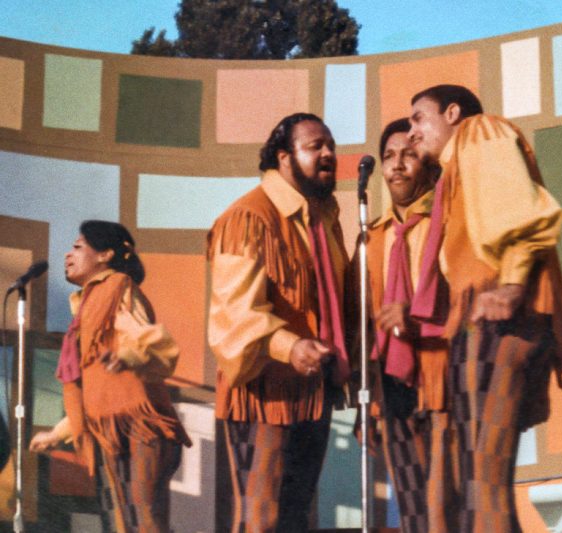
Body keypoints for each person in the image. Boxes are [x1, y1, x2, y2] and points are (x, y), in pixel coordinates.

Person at [406, 84, 562, 532]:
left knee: (483, 483)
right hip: (481, 323)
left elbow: (519, 211)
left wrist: (511, 284)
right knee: (480, 484)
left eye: (417, 119)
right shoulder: (452, 173)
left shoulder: (478, 131)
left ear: (452, 113)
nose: (411, 133)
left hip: (499, 318)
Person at [207, 112, 350, 532]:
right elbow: (232, 312)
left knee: (297, 520)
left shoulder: (323, 220)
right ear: (284, 157)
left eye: (331, 146)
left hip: (313, 392)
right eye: (315, 146)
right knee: (261, 519)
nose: (328, 154)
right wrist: (289, 346)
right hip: (262, 391)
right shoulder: (248, 217)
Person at [30, 220, 191, 533]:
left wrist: (127, 355)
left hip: (141, 426)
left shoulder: (118, 286)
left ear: (104, 255)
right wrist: (58, 433)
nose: (67, 254)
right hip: (112, 430)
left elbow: (151, 339)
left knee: (144, 521)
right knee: (126, 523)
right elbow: (92, 392)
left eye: (77, 247)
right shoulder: (86, 305)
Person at [364, 117, 447, 532]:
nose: (397, 165)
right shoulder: (373, 239)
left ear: (430, 167)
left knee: (450, 505)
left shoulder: (449, 225)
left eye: (409, 155)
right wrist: (368, 407)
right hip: (393, 389)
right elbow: (360, 325)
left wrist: (417, 319)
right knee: (412, 509)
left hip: (444, 380)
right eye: (389, 157)